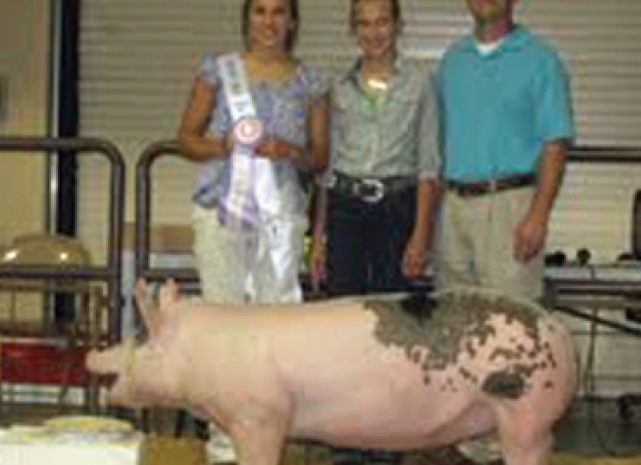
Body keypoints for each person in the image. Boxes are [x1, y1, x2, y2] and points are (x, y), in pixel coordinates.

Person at [177, 0, 329, 462]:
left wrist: (287, 149)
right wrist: (222, 144)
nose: (269, 21)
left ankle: (270, 440)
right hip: (221, 212)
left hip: (281, 217)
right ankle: (224, 445)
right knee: (222, 325)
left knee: (275, 331)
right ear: (247, 19)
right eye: (260, 11)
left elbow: (321, 157)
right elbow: (186, 138)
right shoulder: (217, 71)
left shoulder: (312, 82)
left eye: (279, 12)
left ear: (293, 21)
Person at [436, 0, 574, 301]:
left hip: (510, 209)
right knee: (453, 323)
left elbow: (556, 144)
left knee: (510, 327)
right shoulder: (452, 60)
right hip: (453, 209)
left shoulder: (540, 60)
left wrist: (538, 216)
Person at [310, 0, 441, 300]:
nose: (373, 32)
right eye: (364, 23)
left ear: (398, 26)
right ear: (353, 30)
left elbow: (429, 167)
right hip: (345, 209)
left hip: (397, 209)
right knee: (342, 308)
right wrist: (319, 237)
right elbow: (326, 169)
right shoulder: (338, 86)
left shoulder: (421, 83)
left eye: (382, 22)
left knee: (393, 314)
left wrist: (421, 235)